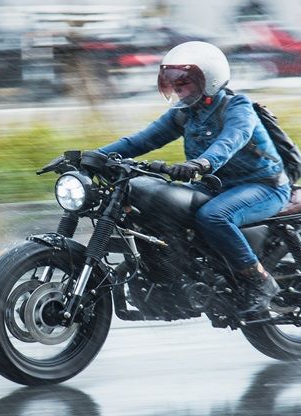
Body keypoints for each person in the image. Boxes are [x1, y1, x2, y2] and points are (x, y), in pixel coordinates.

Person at [97, 41, 290, 318]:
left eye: (184, 81)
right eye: (172, 81)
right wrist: (92, 157)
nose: (177, 87)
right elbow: (140, 141)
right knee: (164, 209)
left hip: (262, 185)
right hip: (215, 186)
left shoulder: (238, 106)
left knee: (213, 217)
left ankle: (260, 282)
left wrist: (202, 163)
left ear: (209, 79)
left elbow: (232, 140)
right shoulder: (184, 114)